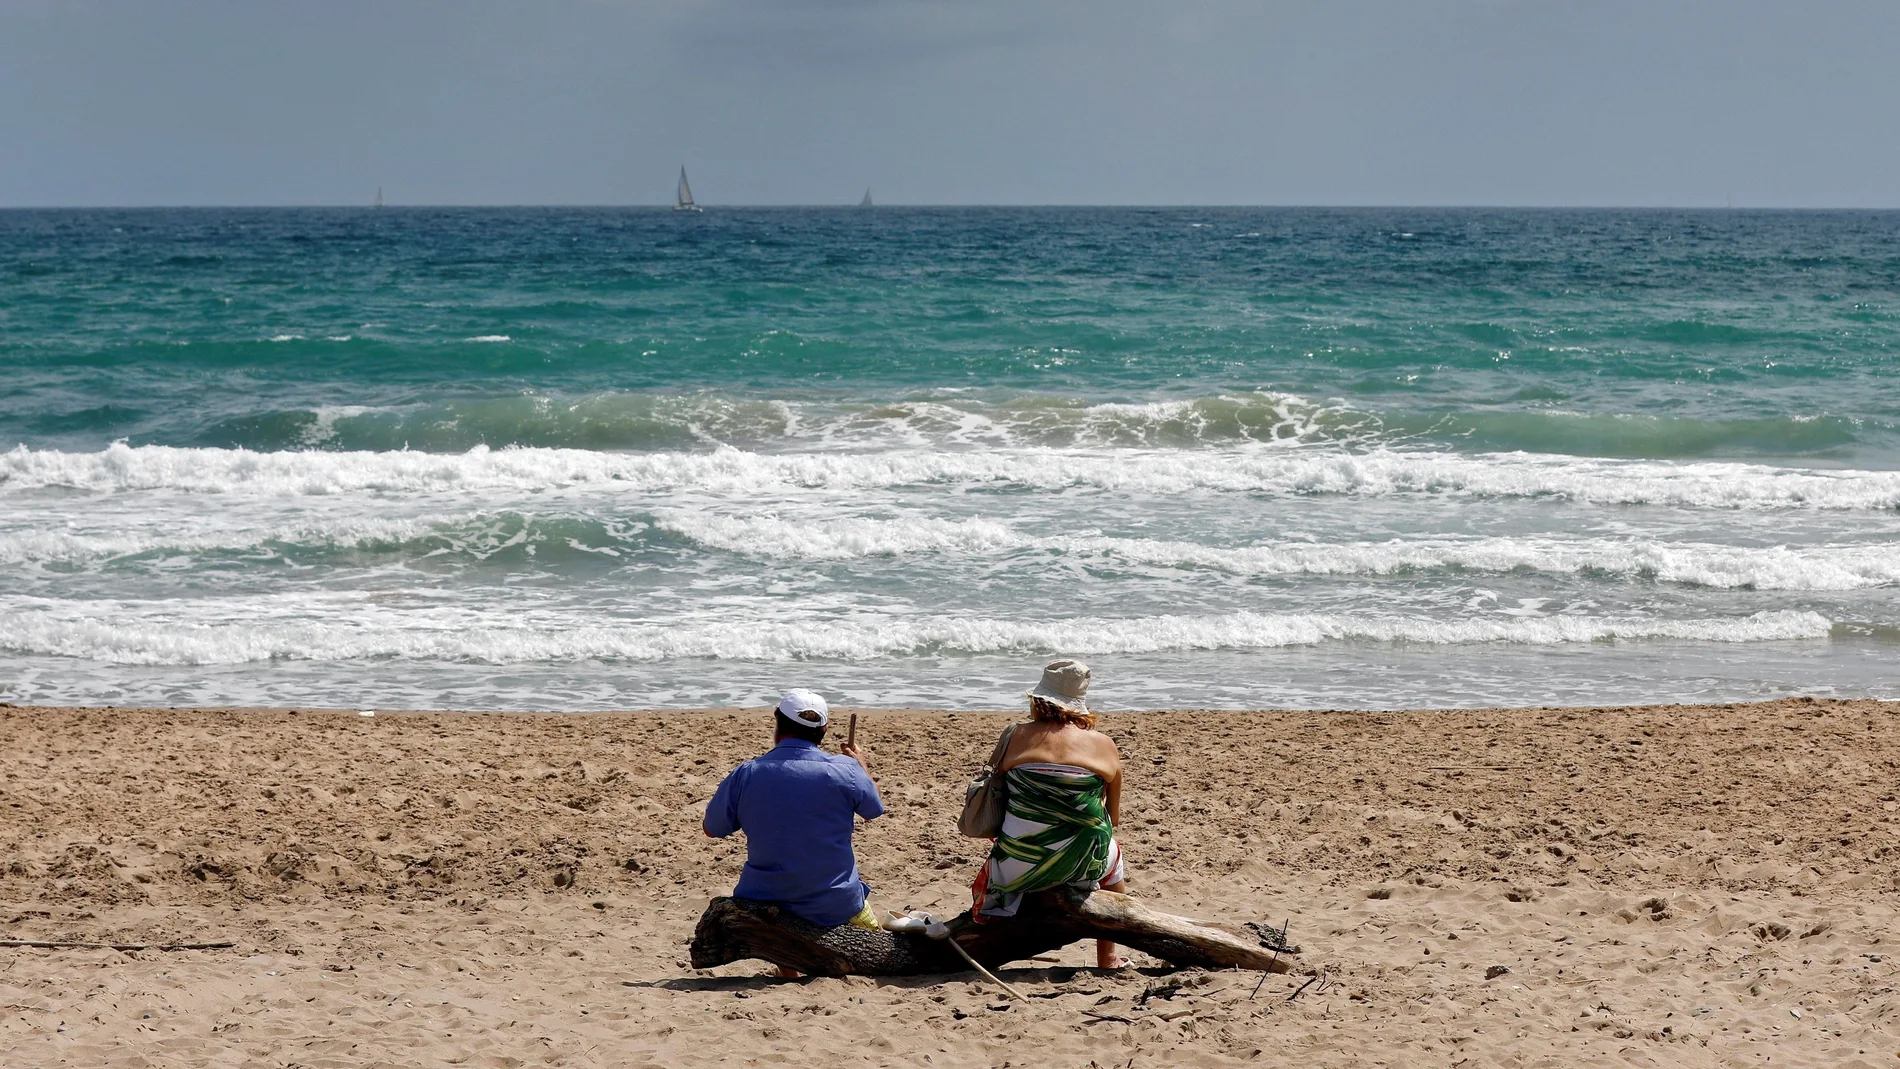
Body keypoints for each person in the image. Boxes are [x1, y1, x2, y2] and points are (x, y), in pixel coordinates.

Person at [972, 659, 1130, 969]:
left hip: (1018, 863)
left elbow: (995, 797)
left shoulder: (1014, 736)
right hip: (1085, 865)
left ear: (1038, 700)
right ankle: (1108, 957)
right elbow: (1112, 819)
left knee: (1010, 837)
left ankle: (984, 943)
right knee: (1115, 860)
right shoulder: (1104, 746)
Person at [703, 689, 885, 934]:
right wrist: (861, 765)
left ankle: (788, 971)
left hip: (762, 897)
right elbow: (874, 810)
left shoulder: (746, 773)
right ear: (824, 730)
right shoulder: (847, 770)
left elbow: (711, 830)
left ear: (777, 721)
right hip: (834, 902)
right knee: (870, 924)